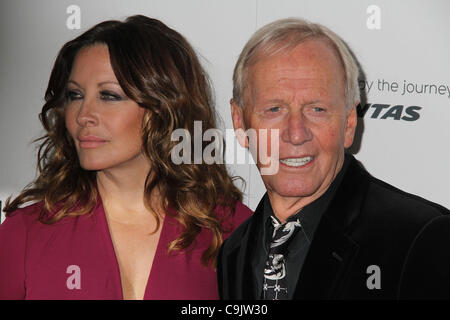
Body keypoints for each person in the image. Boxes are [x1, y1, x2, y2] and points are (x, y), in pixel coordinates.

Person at [0, 15, 252, 300]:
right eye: (75, 95)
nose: (83, 116)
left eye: (108, 96)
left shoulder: (234, 232)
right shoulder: (25, 234)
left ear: (162, 108)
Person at [217, 18, 450, 300]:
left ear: (349, 122)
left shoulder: (420, 238)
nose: (296, 133)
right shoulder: (232, 252)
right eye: (274, 109)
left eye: (316, 109)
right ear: (240, 122)